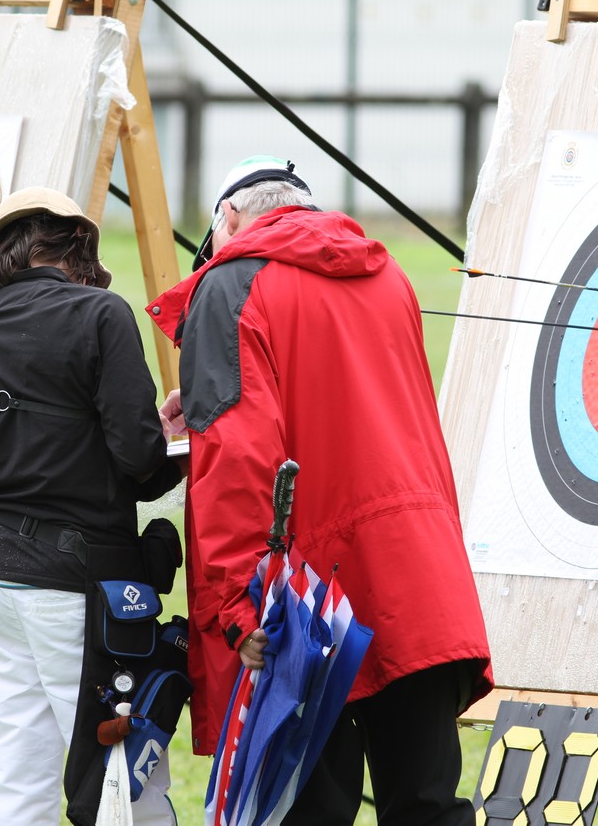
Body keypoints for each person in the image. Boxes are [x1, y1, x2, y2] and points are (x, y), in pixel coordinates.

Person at [149, 156, 495, 824]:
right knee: (426, 804)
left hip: (312, 597)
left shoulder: (229, 285)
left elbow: (237, 461)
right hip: (417, 572)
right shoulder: (385, 271)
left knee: (307, 811)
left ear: (229, 218)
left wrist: (235, 604)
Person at [0, 187, 184, 825]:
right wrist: (177, 447)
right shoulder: (100, 313)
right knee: (116, 778)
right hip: (83, 581)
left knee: (4, 775)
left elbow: (0, 455)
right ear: (78, 245)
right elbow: (137, 461)